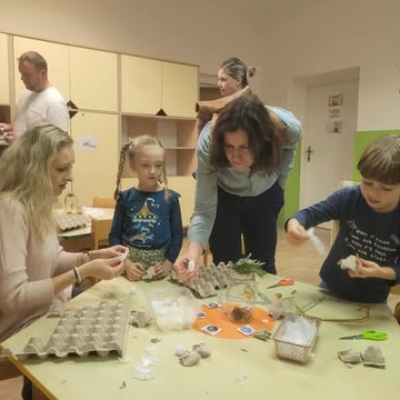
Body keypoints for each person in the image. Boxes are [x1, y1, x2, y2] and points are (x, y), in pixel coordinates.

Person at [175, 90, 301, 278]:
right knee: (225, 265)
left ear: (262, 141)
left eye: (245, 147)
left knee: (262, 264)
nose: (235, 156)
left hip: (265, 191)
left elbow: (290, 150)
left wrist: (279, 186)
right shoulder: (208, 141)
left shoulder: (289, 129)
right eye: (229, 147)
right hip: (224, 195)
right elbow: (204, 209)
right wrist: (193, 252)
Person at [286, 135, 400, 304]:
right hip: (332, 285)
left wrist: (380, 272)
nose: (373, 193)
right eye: (367, 183)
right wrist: (294, 223)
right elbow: (310, 214)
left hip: (373, 296)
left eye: (386, 188)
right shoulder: (349, 197)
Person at [109, 135, 183, 281]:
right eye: (145, 165)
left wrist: (168, 264)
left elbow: (177, 236)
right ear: (133, 165)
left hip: (161, 269)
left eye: (158, 165)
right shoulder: (125, 198)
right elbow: (114, 236)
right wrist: (126, 264)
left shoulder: (171, 199)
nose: (153, 171)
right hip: (129, 269)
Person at [0, 51, 69, 142]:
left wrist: (22, 140)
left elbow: (60, 143)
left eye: (26, 74)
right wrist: (9, 127)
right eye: (21, 73)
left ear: (42, 73)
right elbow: (24, 123)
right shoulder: (26, 94)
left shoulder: (55, 103)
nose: (22, 78)